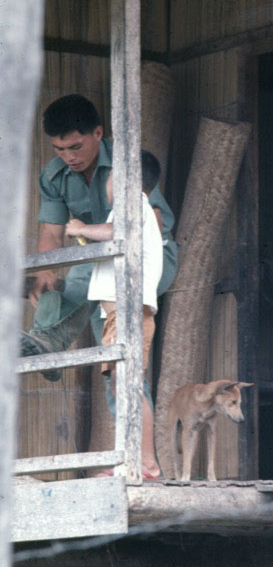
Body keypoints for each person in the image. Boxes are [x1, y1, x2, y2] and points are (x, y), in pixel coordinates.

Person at [20, 94, 178, 395]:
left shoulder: (126, 162)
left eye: (76, 147)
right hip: (101, 269)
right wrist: (45, 272)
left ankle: (49, 343)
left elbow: (151, 225)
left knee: (91, 264)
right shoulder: (54, 176)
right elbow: (51, 235)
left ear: (98, 133)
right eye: (60, 149)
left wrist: (94, 235)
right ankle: (46, 346)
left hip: (151, 257)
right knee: (117, 376)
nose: (69, 157)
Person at [65, 154, 162, 478]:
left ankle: (145, 462)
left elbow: (115, 231)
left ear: (127, 180)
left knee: (129, 385)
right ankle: (135, 459)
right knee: (122, 386)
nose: (106, 183)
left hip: (126, 311)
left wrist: (80, 227)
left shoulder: (132, 203)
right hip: (121, 313)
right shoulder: (139, 208)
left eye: (110, 177)